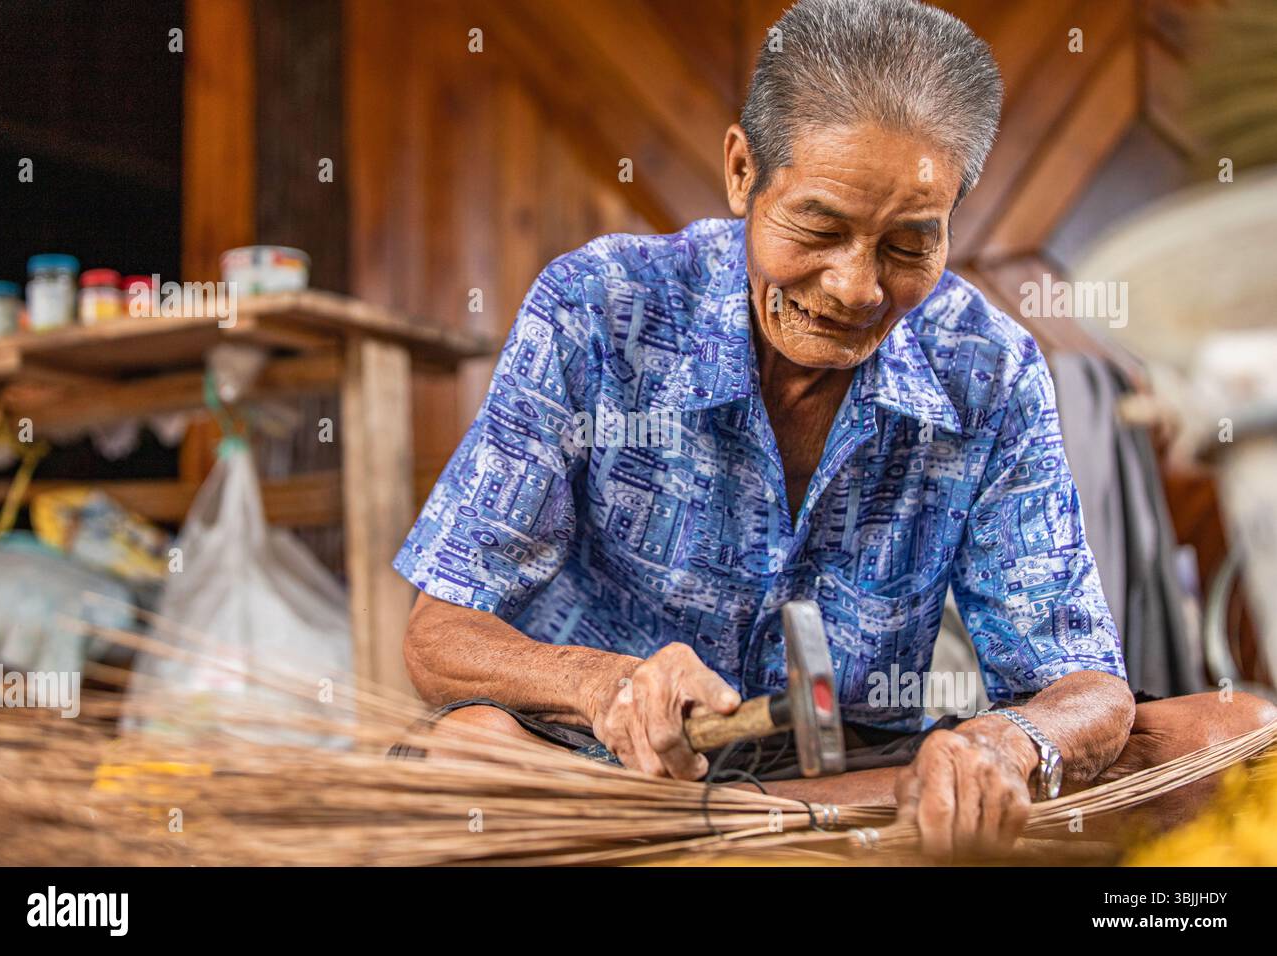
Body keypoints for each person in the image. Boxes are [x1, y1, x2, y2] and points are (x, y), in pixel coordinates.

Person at [392, 0, 1276, 859]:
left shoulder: (989, 369)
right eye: (819, 227)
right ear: (742, 172)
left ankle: (736, 833)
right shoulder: (598, 307)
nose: (856, 288)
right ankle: (750, 834)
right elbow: (438, 637)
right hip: (613, 770)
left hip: (862, 772)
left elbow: (1084, 685)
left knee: (1236, 734)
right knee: (464, 758)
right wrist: (600, 684)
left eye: (907, 246)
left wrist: (1008, 747)